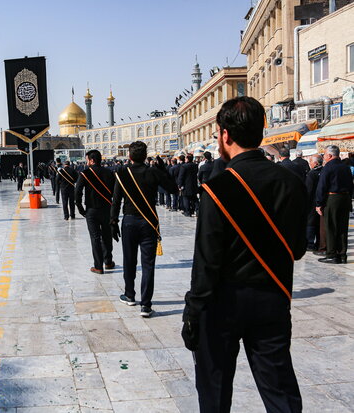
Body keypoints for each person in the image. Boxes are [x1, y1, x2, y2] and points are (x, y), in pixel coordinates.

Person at [182, 96, 306, 412]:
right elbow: (298, 248)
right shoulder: (291, 182)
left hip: (222, 303)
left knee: (215, 390)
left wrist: (193, 309)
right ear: (260, 132)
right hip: (272, 297)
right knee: (279, 390)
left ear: (225, 135)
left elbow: (207, 261)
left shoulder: (216, 188)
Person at [111, 141, 178, 317]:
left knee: (129, 259)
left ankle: (130, 295)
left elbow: (116, 200)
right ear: (145, 155)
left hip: (129, 221)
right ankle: (146, 305)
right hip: (149, 221)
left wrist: (112, 222)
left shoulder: (122, 173)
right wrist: (162, 169)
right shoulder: (153, 172)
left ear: (130, 156)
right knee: (148, 265)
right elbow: (173, 189)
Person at [75, 150, 115, 274]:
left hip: (91, 210)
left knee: (95, 238)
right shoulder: (109, 173)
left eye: (87, 160)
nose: (86, 162)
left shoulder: (85, 173)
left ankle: (98, 266)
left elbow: (77, 192)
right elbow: (115, 192)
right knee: (107, 236)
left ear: (92, 160)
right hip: (107, 208)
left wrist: (81, 209)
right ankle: (108, 261)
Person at [315, 145, 353, 264]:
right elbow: (351, 185)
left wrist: (319, 203)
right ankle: (342, 254)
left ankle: (331, 254)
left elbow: (322, 186)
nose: (324, 157)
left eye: (325, 155)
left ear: (330, 155)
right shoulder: (346, 167)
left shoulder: (328, 167)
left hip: (333, 198)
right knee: (342, 227)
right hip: (345, 198)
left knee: (331, 226)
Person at [305, 154, 325, 252]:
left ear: (315, 163)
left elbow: (308, 190)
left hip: (312, 202)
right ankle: (319, 243)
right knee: (319, 223)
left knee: (310, 223)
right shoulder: (324, 171)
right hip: (322, 201)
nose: (309, 164)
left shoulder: (311, 174)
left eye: (310, 162)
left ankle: (310, 243)